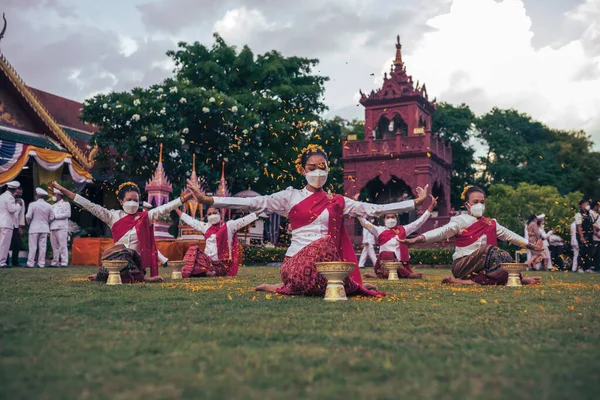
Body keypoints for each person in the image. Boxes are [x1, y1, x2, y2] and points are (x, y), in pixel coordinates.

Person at [186, 144, 429, 297]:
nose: (318, 172)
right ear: (303, 170)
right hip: (296, 264)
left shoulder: (337, 200)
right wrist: (209, 201)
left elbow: (373, 209)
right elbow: (253, 203)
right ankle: (306, 285)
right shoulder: (289, 196)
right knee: (324, 246)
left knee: (328, 251)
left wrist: (413, 204)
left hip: (326, 266)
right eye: (312, 167)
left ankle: (344, 285)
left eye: (322, 167)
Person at [52, 181, 193, 283]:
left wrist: (184, 198)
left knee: (125, 251)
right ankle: (108, 273)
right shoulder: (112, 216)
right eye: (129, 200)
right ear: (121, 201)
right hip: (117, 261)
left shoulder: (146, 217)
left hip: (135, 265)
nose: (132, 202)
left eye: (136, 200)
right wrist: (65, 191)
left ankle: (137, 277)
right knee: (114, 251)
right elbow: (89, 206)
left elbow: (165, 208)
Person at [399, 186, 543, 286]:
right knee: (490, 250)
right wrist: (419, 239)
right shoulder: (459, 220)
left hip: (485, 267)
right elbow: (442, 232)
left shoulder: (490, 222)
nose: (479, 205)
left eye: (482, 202)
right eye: (475, 202)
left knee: (503, 257)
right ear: (467, 204)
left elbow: (509, 235)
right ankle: (518, 279)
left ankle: (468, 282)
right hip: (463, 265)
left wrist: (531, 245)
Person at [360, 195, 437, 279]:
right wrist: (356, 210)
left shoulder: (403, 229)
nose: (390, 219)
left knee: (395, 260)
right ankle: (407, 275)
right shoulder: (379, 230)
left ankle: (397, 273)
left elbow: (419, 222)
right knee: (386, 254)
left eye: (392, 217)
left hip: (400, 263)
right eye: (388, 217)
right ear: (384, 220)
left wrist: (430, 207)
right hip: (385, 265)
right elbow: (364, 223)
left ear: (396, 219)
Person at [175, 207, 259, 277]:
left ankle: (204, 272)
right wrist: (175, 208)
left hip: (222, 263)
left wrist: (260, 211)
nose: (212, 215)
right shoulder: (205, 227)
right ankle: (203, 272)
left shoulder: (229, 226)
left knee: (206, 271)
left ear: (220, 214)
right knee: (193, 249)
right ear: (206, 216)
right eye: (209, 214)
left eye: (214, 213)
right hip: (207, 262)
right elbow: (191, 221)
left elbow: (244, 220)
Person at [26, 188, 54, 268]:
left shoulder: (33, 205)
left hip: (34, 227)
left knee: (33, 246)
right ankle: (41, 264)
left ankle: (30, 264)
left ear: (37, 195)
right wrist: (46, 222)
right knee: (42, 246)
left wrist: (29, 223)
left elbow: (28, 216)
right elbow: (52, 217)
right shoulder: (49, 206)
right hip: (44, 228)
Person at [0, 181, 21, 268]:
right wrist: (18, 205)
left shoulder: (1, 196)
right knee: (5, 244)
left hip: (1, 222)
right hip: (7, 223)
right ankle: (2, 262)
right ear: (14, 190)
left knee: (1, 243)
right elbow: (12, 210)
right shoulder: (10, 197)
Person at [142, 201, 169, 268]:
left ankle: (164, 260)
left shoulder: (143, 214)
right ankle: (164, 260)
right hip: (145, 234)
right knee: (152, 248)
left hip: (144, 234)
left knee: (152, 248)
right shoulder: (145, 213)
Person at [50, 188, 71, 267]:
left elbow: (68, 214)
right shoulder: (53, 206)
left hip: (61, 227)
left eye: (55, 194)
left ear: (59, 195)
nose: (54, 196)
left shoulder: (65, 204)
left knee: (63, 245)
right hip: (53, 227)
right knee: (54, 246)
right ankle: (54, 262)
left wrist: (55, 216)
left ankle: (64, 262)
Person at [575, 199, 595, 273]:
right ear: (581, 206)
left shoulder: (589, 214)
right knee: (582, 251)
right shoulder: (579, 214)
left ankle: (587, 268)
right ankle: (580, 267)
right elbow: (579, 226)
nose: (587, 206)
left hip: (590, 235)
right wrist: (581, 236)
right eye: (586, 204)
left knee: (589, 251)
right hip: (583, 235)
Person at [10, 187, 26, 267]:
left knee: (17, 244)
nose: (19, 195)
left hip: (16, 225)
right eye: (18, 194)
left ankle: (15, 262)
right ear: (14, 192)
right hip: (6, 225)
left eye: (21, 194)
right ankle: (4, 261)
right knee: (5, 244)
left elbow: (22, 215)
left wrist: (21, 227)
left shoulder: (21, 201)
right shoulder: (9, 199)